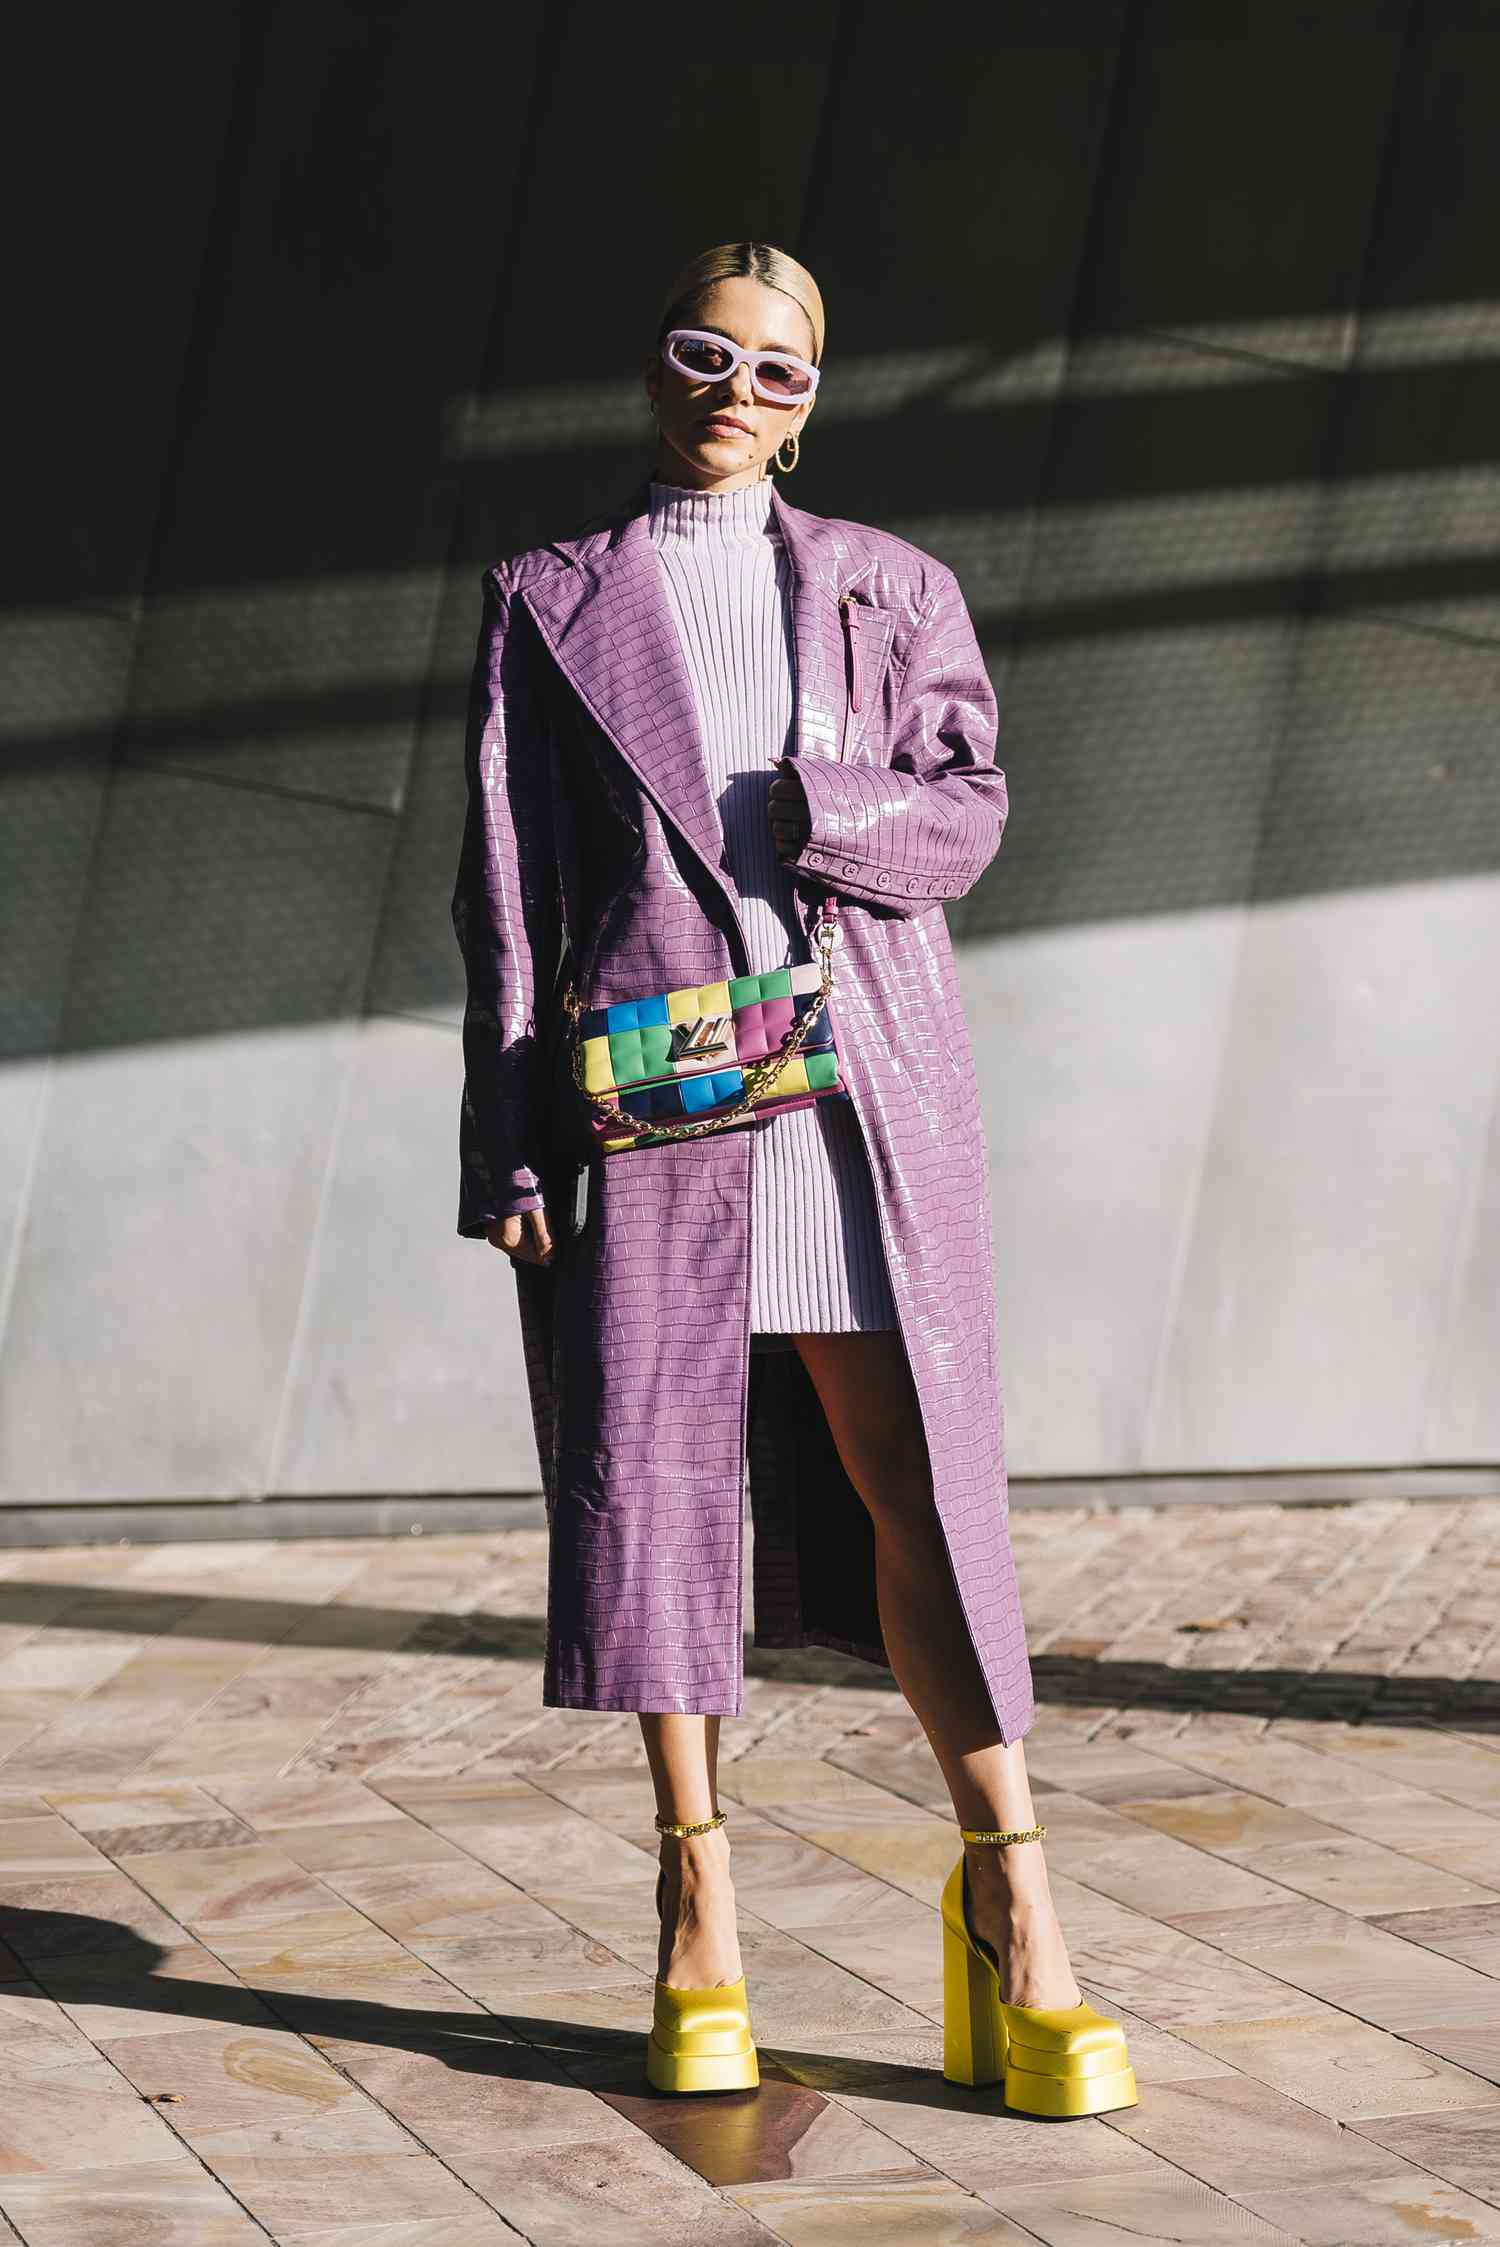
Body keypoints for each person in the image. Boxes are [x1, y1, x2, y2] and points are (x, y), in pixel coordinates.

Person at [451, 241, 1135, 2117]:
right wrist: (506, 1131)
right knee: (663, 1487)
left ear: (815, 394)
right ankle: (698, 1907)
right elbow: (507, 890)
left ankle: (1018, 1899)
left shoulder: (895, 587)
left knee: (914, 1479)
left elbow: (972, 806)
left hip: (862, 1090)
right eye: (708, 352)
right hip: (656, 1095)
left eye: (784, 369)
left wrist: (822, 813)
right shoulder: (547, 600)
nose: (741, 390)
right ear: (653, 363)